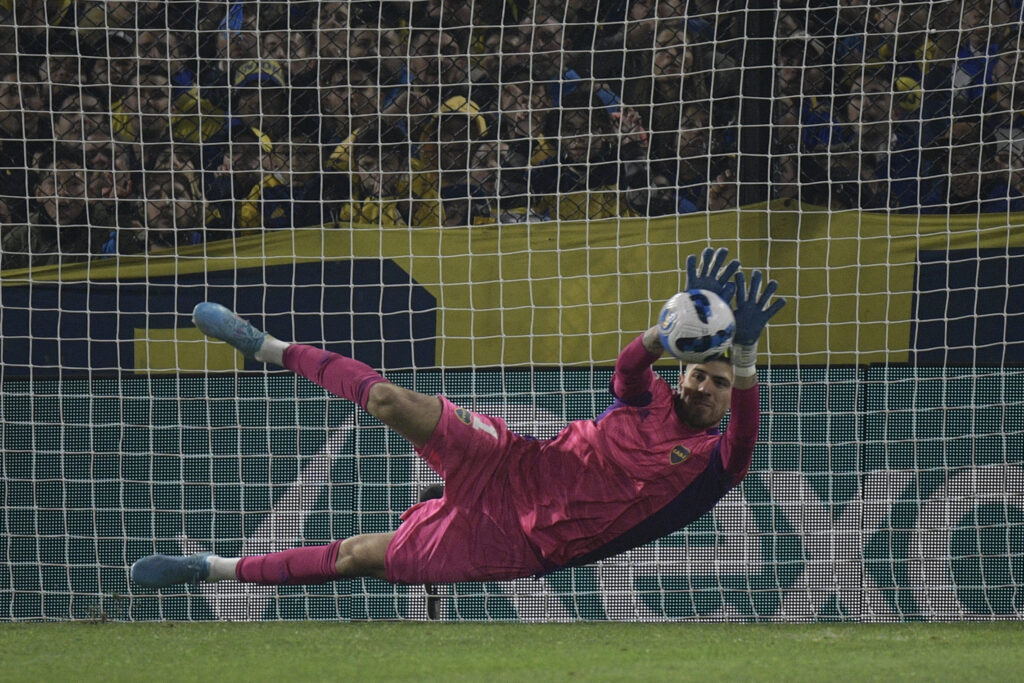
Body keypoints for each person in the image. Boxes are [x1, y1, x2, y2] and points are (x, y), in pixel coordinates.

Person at [130, 247, 785, 588]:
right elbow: (628, 371)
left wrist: (747, 351)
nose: (702, 382)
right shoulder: (649, 400)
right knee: (388, 400)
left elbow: (749, 431)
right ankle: (267, 346)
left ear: (731, 394)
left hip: (517, 543)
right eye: (699, 369)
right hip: (511, 458)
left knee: (358, 555)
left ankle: (211, 567)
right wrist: (661, 332)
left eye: (718, 380)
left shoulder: (714, 463)